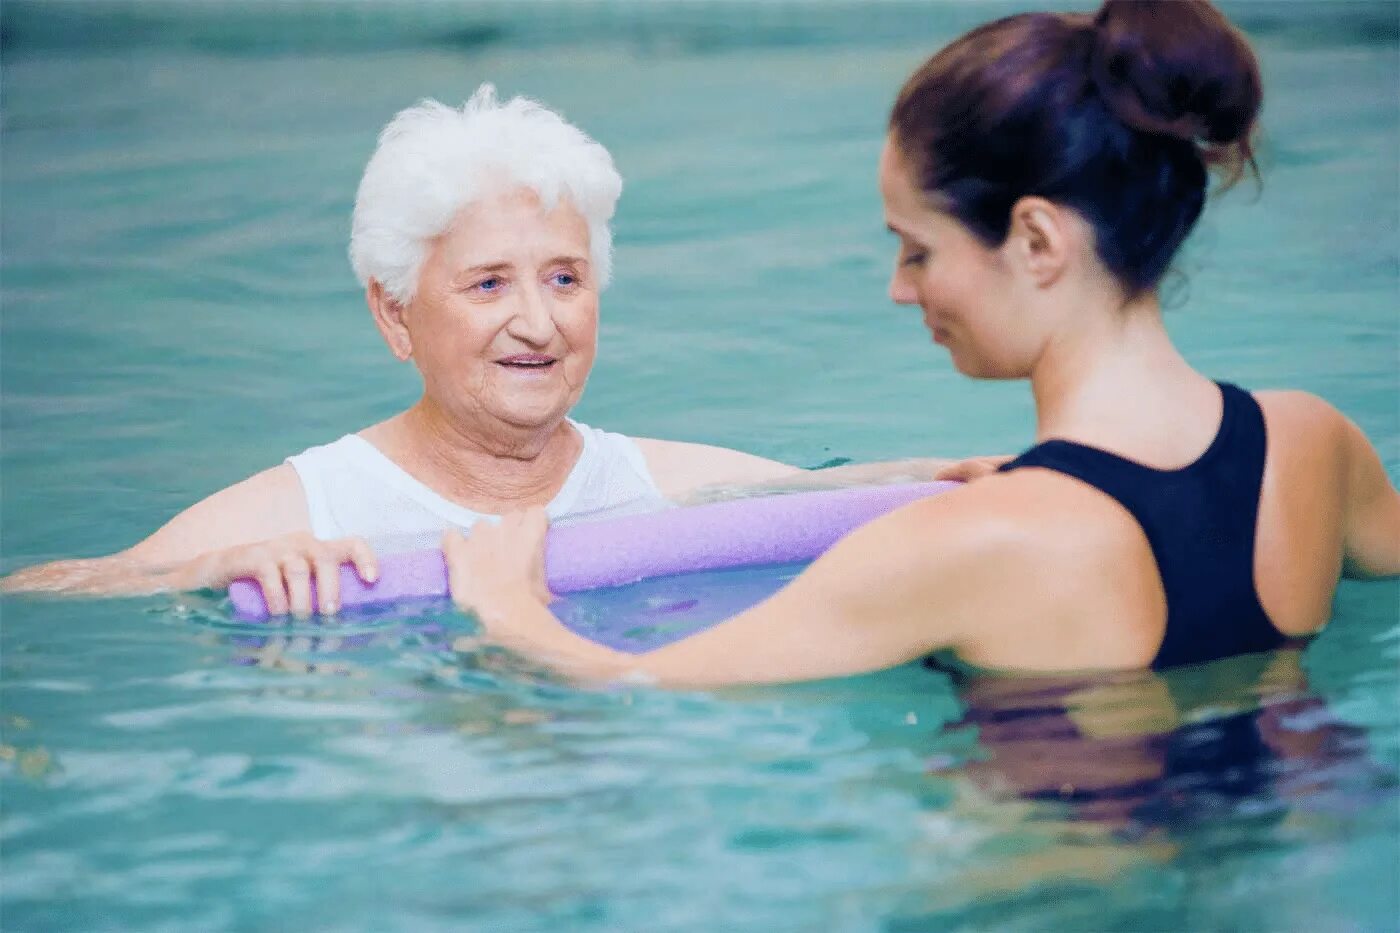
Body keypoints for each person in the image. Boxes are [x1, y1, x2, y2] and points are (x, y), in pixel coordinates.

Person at [443, 0, 1400, 685]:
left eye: (917, 250)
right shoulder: (1313, 445)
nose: (900, 290)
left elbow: (629, 681)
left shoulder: (963, 542)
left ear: (1035, 241)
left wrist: (506, 606)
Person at [0, 85, 980, 615]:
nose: (537, 322)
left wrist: (949, 475)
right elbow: (36, 594)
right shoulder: (309, 508)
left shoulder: (649, 480)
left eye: (563, 278)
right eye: (486, 285)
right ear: (394, 317)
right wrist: (206, 570)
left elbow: (820, 498)